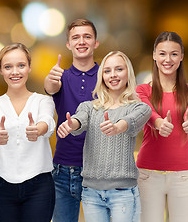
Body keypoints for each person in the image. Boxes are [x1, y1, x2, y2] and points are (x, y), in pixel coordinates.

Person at [57, 51, 150, 222]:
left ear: (128, 72)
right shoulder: (89, 107)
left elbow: (131, 121)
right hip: (91, 193)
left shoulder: (139, 107)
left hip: (122, 192)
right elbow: (80, 119)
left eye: (119, 69)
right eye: (107, 71)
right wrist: (71, 125)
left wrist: (117, 127)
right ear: (102, 76)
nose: (113, 75)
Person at [135, 32, 188, 222]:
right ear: (154, 56)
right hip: (148, 175)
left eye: (174, 54)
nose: (168, 59)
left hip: (184, 176)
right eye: (162, 53)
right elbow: (145, 110)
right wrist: (158, 122)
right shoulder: (142, 91)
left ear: (181, 56)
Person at [0, 43, 56, 221]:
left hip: (39, 184)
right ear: (1, 70)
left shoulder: (43, 101)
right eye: (8, 67)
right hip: (1, 184)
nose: (14, 72)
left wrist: (38, 130)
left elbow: (47, 122)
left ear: (29, 68)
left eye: (21, 65)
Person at [44, 18, 100, 222]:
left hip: (99, 170)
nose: (81, 41)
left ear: (96, 42)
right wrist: (49, 80)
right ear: (68, 44)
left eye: (87, 36)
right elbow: (50, 88)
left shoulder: (107, 76)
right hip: (63, 171)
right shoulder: (61, 77)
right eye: (75, 37)